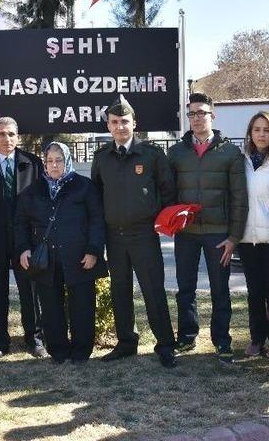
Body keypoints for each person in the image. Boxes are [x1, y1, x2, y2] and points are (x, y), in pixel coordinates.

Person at [91, 94, 177, 368]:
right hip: (114, 236)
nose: (120, 126)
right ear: (108, 125)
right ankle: (126, 343)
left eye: (124, 121)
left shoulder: (151, 154)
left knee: (153, 290)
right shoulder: (101, 158)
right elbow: (96, 197)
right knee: (120, 291)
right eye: (114, 122)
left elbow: (168, 191)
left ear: (134, 123)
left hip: (144, 235)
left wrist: (159, 222)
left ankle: (165, 345)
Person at [168, 92, 247, 363]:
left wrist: (234, 236)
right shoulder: (176, 152)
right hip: (186, 233)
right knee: (185, 288)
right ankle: (187, 336)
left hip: (218, 233)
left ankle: (222, 340)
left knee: (220, 289)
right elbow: (168, 193)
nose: (197, 118)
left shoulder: (230, 152)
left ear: (213, 115)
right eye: (192, 113)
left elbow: (239, 198)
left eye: (202, 112)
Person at [15, 142, 106, 365]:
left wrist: (93, 250)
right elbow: (20, 223)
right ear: (44, 163)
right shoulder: (33, 191)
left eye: (59, 160)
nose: (54, 165)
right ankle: (58, 351)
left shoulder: (84, 186)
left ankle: (81, 351)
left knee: (82, 306)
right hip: (46, 260)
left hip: (80, 256)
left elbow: (97, 219)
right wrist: (24, 248)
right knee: (51, 308)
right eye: (49, 161)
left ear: (67, 160)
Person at [0, 117, 47, 361]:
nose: (7, 139)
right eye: (2, 134)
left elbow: (41, 206)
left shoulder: (32, 164)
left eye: (11, 134)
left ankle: (34, 339)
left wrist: (37, 242)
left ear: (18, 136)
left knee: (30, 292)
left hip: (26, 243)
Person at [238, 111, 269, 359]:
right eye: (257, 129)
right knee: (254, 291)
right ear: (250, 133)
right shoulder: (242, 160)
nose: (261, 134)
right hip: (247, 238)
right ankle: (257, 338)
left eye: (266, 130)